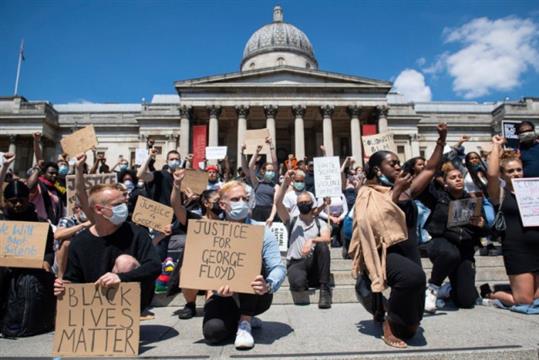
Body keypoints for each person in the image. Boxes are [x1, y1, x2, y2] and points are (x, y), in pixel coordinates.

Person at [350, 123, 447, 348]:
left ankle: (385, 311)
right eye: (391, 163)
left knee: (412, 328)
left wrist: (441, 139)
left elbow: (431, 169)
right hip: (384, 252)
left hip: (408, 249)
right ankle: (388, 324)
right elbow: (370, 222)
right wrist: (394, 193)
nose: (398, 166)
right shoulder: (366, 192)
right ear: (377, 169)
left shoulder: (407, 190)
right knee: (412, 278)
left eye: (398, 162)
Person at [202, 180, 286, 350]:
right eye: (235, 199)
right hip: (222, 294)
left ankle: (245, 322)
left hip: (257, 294)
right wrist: (213, 288)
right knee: (213, 333)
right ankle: (237, 317)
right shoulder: (210, 231)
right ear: (222, 204)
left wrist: (268, 284)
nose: (242, 203)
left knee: (254, 255)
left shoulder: (262, 232)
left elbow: (278, 266)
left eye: (245, 198)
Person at [53, 183, 162, 312]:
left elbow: (154, 266)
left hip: (132, 302)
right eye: (117, 205)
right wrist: (64, 286)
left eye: (124, 203)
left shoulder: (136, 233)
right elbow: (73, 279)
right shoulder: (79, 242)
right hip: (95, 306)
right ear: (99, 210)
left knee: (125, 262)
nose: (124, 208)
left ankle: (123, 321)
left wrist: (122, 278)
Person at [420, 164, 487, 313]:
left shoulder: (472, 201)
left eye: (460, 177)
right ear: (445, 183)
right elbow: (422, 189)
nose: (458, 179)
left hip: (464, 249)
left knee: (467, 301)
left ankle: (447, 290)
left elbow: (486, 231)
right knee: (450, 253)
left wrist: (482, 225)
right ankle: (432, 289)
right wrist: (433, 169)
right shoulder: (438, 198)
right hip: (441, 243)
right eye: (452, 177)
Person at [481, 135, 539, 306]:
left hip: (537, 245)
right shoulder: (499, 193)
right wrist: (496, 146)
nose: (516, 174)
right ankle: (490, 294)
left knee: (536, 299)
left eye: (518, 170)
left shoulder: (534, 189)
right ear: (503, 174)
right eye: (510, 171)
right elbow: (491, 174)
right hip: (517, 249)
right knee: (524, 301)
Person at [0, 181, 56, 337]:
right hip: (5, 270)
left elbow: (49, 251)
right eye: (13, 202)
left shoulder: (40, 223)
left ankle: (29, 324)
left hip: (32, 271)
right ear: (6, 201)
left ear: (28, 199)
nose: (18, 204)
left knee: (29, 282)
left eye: (21, 201)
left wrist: (46, 261)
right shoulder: (1, 222)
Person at [170, 170, 222, 319]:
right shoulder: (194, 220)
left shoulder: (228, 222)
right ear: (206, 203)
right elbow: (176, 206)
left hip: (217, 264)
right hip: (197, 263)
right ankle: (190, 304)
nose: (219, 205)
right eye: (216, 201)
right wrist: (177, 184)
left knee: (212, 305)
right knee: (185, 270)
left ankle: (211, 302)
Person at [276, 170, 332, 309]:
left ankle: (325, 290)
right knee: (298, 285)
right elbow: (278, 203)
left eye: (307, 202)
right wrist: (285, 183)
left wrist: (312, 240)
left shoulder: (320, 223)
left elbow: (327, 238)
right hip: (297, 262)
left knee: (323, 246)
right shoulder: (291, 221)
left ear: (312, 204)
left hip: (314, 263)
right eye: (301, 202)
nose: (304, 204)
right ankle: (305, 279)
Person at [138, 148, 183, 260]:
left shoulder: (183, 179)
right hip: (160, 219)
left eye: (177, 159)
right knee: (160, 253)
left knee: (177, 254)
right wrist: (149, 156)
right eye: (172, 159)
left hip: (177, 220)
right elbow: (141, 174)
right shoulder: (159, 175)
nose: (174, 161)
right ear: (167, 161)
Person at [53, 202, 92, 279]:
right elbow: (58, 235)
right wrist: (82, 226)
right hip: (65, 261)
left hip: (84, 257)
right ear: (76, 209)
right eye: (82, 208)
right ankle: (61, 278)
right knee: (66, 243)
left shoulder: (94, 222)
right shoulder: (67, 220)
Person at [249, 139, 279, 224]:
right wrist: (256, 152)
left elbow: (275, 203)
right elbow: (250, 167)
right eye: (269, 170)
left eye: (272, 171)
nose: (271, 172)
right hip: (257, 211)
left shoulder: (275, 186)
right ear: (263, 171)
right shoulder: (257, 183)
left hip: (269, 212)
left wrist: (271, 217)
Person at [27, 161, 64, 225]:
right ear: (43, 173)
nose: (54, 175)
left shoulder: (57, 188)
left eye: (56, 173)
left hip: (54, 226)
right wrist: (37, 170)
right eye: (51, 173)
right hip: (39, 224)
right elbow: (29, 187)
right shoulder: (38, 185)